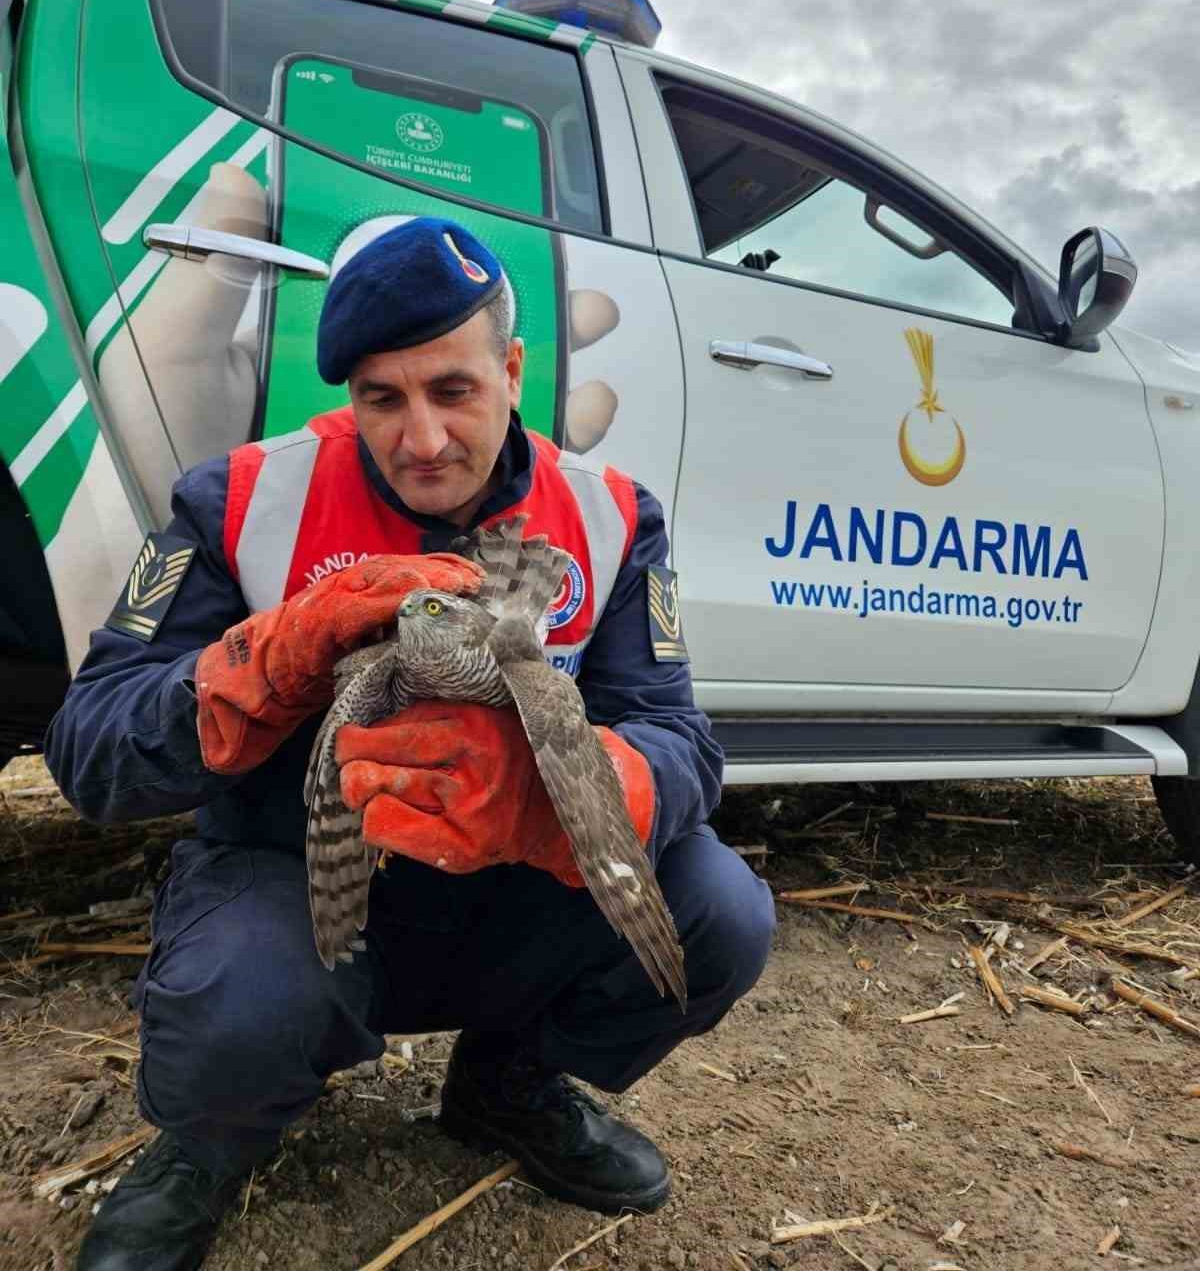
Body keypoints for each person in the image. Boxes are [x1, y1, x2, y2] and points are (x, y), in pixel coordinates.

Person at [46, 217, 775, 1271]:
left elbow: (680, 740)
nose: (422, 438)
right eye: (382, 399)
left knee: (716, 908)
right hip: (295, 880)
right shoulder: (240, 498)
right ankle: (208, 1146)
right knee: (238, 1004)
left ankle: (506, 1083)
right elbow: (89, 748)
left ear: (513, 369)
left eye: (454, 390)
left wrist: (563, 793)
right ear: (345, 392)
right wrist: (260, 662)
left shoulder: (611, 516)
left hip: (511, 891)